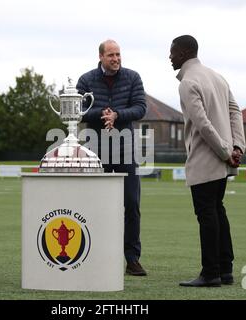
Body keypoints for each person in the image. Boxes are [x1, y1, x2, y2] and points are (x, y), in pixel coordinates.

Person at [169, 35, 246, 287]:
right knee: (218, 210)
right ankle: (225, 270)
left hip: (206, 159)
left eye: (172, 52)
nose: (170, 57)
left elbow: (202, 125)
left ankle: (210, 273)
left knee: (207, 214)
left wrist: (226, 151)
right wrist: (237, 147)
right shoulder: (217, 77)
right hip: (224, 160)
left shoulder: (188, 82)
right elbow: (235, 111)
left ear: (183, 53)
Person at [76, 40, 148, 276]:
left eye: (118, 54)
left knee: (132, 204)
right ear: (101, 56)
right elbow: (79, 110)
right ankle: (93, 255)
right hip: (95, 150)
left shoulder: (133, 77)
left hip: (125, 150)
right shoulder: (86, 80)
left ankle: (132, 259)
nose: (116, 58)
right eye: (111, 55)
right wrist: (103, 115)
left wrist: (117, 115)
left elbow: (140, 108)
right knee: (94, 205)